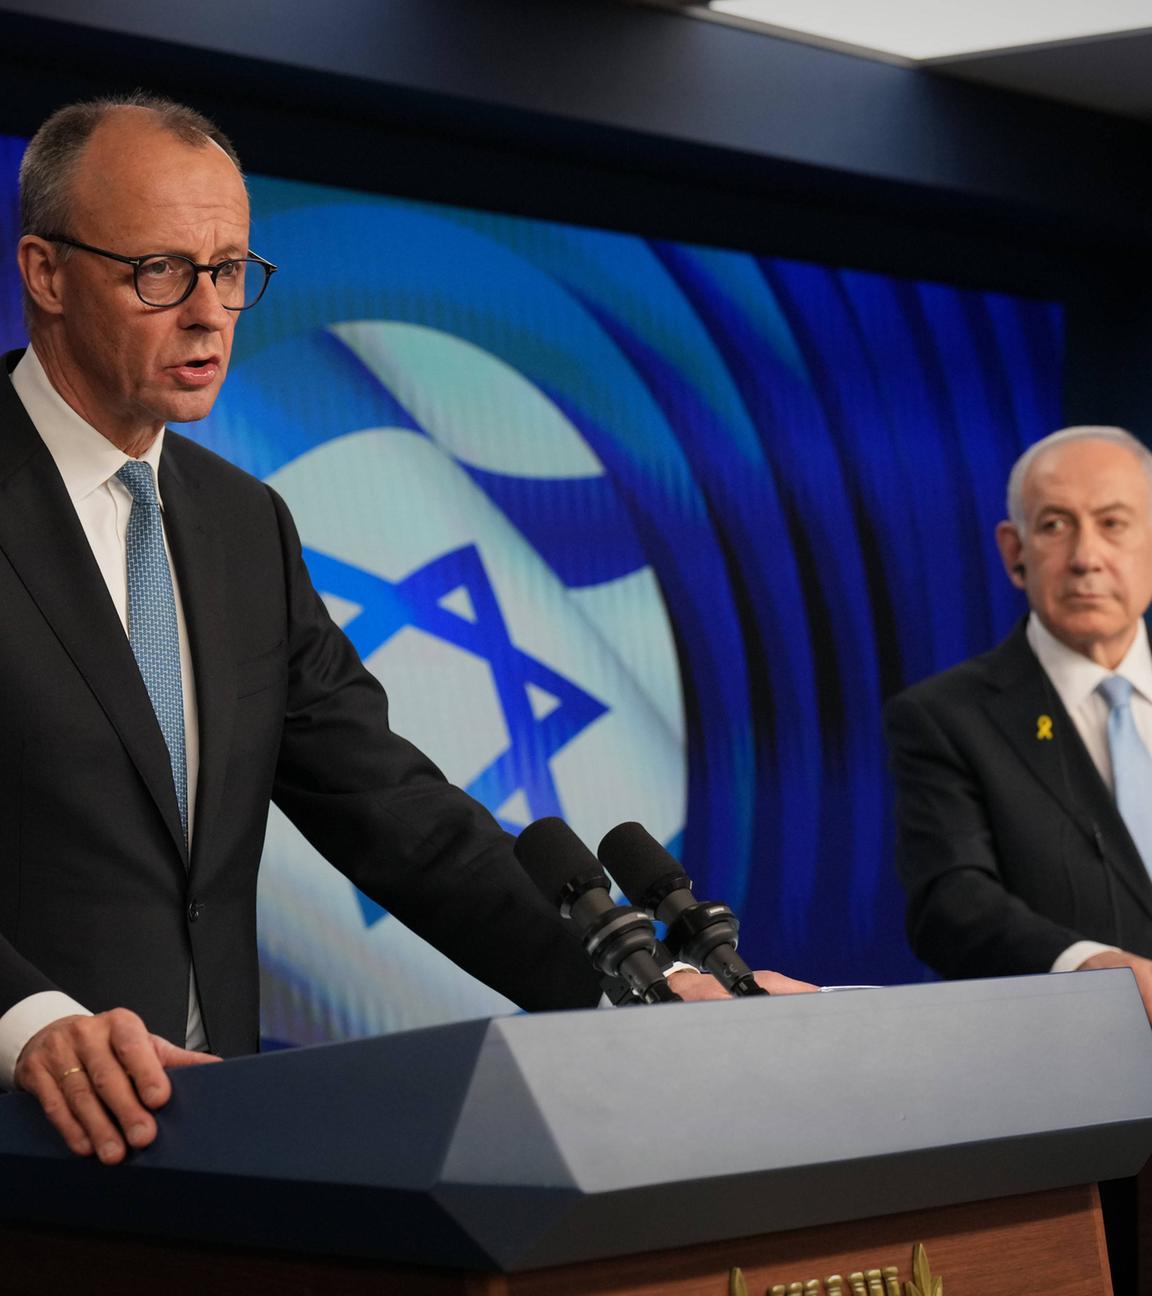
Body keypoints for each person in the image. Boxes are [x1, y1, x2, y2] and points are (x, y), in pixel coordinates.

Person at [1, 94, 811, 1167]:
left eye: (232, 267)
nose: (209, 312)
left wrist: (638, 993)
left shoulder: (244, 525)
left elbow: (396, 810)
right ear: (45, 273)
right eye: (159, 270)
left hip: (204, 1154)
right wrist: (26, 1021)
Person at [885, 424, 1152, 1019]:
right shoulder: (945, 717)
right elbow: (951, 905)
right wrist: (1096, 969)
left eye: (1113, 523)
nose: (1088, 558)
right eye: (1056, 525)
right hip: (1073, 1069)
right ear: (1014, 551)